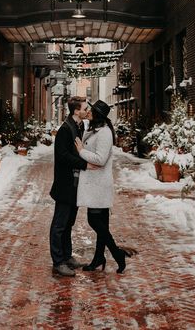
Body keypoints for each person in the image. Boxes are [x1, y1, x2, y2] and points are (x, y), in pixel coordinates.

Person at [75, 100, 131, 274]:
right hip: (94, 183)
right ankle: (99, 257)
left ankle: (117, 253)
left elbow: (101, 159)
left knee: (94, 220)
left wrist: (80, 151)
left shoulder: (105, 133)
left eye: (91, 111)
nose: (89, 112)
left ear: (98, 115)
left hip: (98, 184)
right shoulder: (93, 129)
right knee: (102, 225)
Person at [49, 96, 90, 277]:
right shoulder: (65, 129)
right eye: (84, 108)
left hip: (75, 184)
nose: (87, 110)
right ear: (76, 111)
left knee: (69, 223)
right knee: (59, 224)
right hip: (65, 184)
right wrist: (85, 163)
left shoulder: (79, 126)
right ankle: (58, 261)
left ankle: (67, 256)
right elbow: (63, 155)